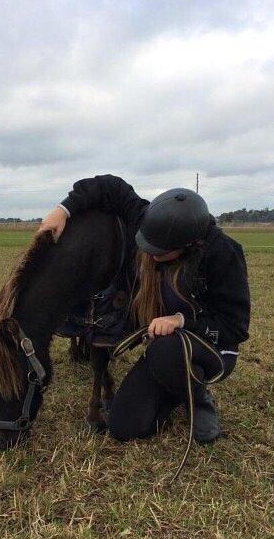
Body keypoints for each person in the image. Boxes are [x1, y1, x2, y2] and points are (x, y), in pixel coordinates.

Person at [39, 174, 250, 443]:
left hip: (209, 348)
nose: (149, 255)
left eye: (159, 252)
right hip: (165, 348)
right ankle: (173, 390)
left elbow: (235, 327)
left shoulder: (224, 254)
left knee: (167, 348)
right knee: (123, 427)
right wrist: (63, 210)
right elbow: (111, 187)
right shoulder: (152, 222)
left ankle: (198, 397)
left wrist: (180, 320)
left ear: (187, 245)